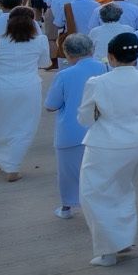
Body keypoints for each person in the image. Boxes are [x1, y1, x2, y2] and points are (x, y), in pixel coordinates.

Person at [79, 31, 138, 267]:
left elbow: (85, 118)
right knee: (123, 189)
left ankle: (108, 250)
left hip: (106, 142)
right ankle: (122, 240)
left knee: (95, 194)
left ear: (111, 57)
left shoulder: (98, 82)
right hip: (137, 138)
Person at [0, 5, 45, 180]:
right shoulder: (40, 41)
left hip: (0, 89)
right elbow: (44, 63)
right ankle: (11, 166)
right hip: (29, 88)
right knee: (24, 127)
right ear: (33, 24)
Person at [43, 31, 99, 219]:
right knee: (98, 171)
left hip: (71, 131)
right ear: (92, 49)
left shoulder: (65, 74)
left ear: (67, 53)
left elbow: (51, 105)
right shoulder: (105, 68)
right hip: (99, 128)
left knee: (68, 172)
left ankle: (67, 206)